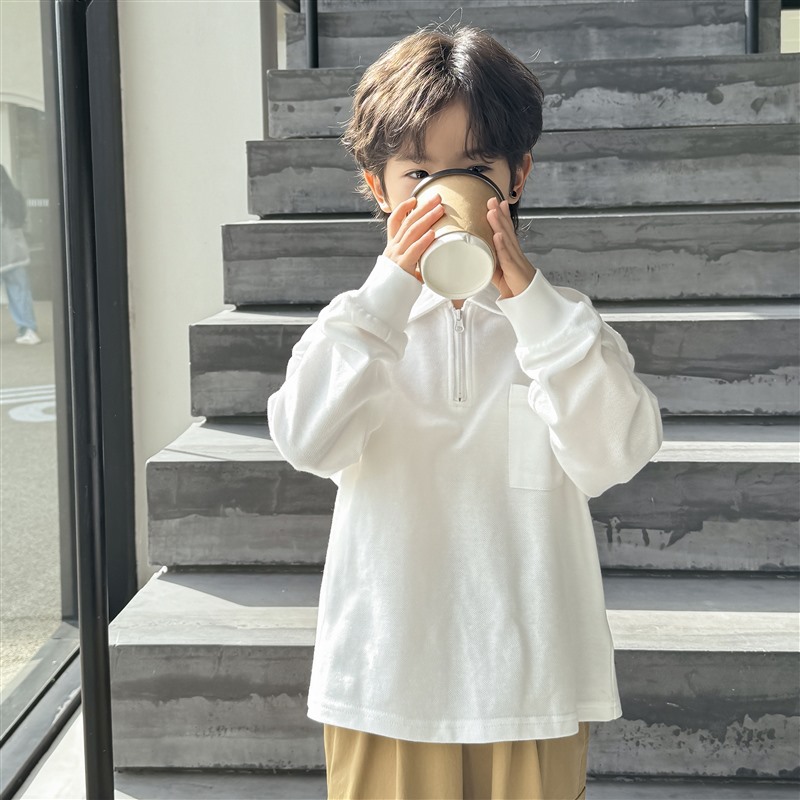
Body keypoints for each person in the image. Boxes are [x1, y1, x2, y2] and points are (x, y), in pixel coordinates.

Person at [267, 23, 663, 800]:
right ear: (379, 187)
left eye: (475, 168)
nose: (446, 191)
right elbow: (306, 440)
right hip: (384, 684)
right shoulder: (355, 327)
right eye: (419, 172)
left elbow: (615, 453)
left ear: (516, 177)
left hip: (535, 690)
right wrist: (390, 291)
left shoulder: (563, 327)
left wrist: (532, 308)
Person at [0, 164, 41, 345]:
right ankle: (28, 330)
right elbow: (24, 222)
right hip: (16, 253)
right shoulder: (14, 196)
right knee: (20, 293)